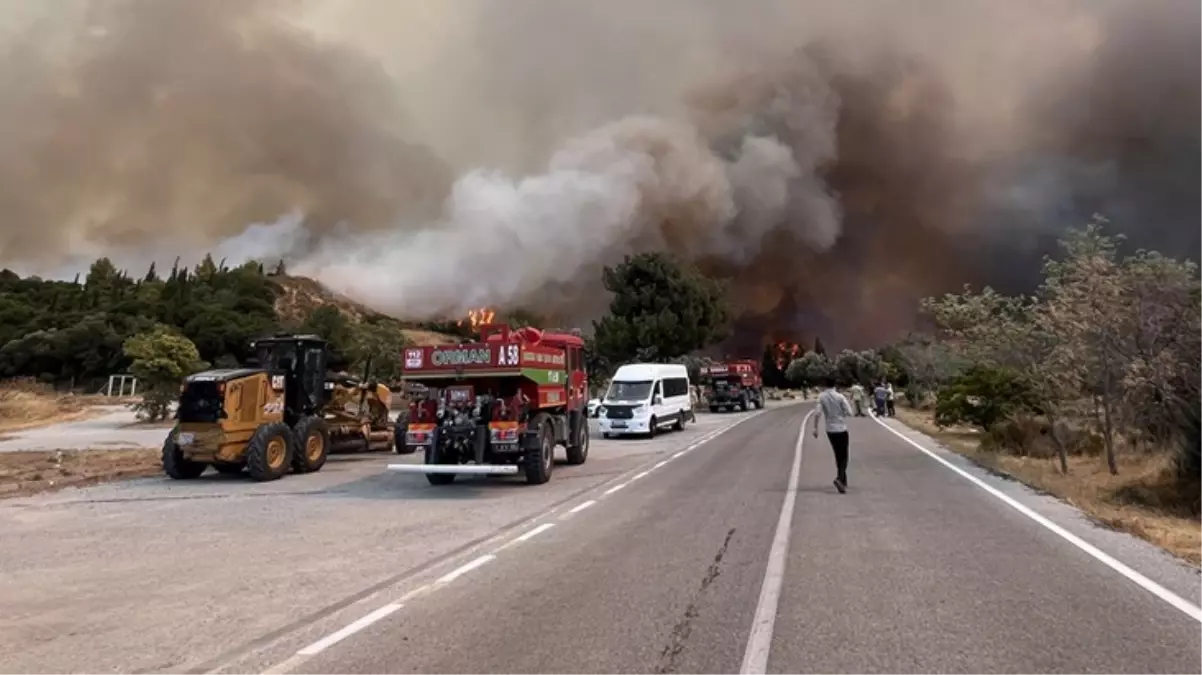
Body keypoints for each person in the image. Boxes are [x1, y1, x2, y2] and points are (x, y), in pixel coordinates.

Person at [812, 375, 854, 493]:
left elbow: (817, 413)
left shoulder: (821, 397)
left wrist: (815, 428)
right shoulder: (840, 397)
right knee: (844, 456)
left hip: (830, 429)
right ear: (835, 384)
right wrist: (841, 414)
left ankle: (842, 479)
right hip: (841, 428)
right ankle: (840, 478)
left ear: (824, 385)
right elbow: (849, 412)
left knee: (837, 454)